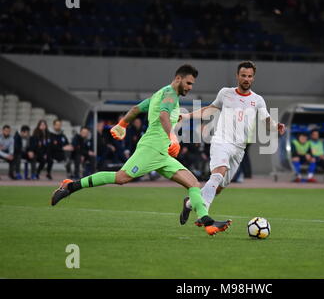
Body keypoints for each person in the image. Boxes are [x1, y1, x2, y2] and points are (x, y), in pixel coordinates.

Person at [50, 64, 231, 236]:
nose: (190, 87)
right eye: (189, 83)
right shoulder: (170, 94)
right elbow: (163, 116)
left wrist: (122, 124)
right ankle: (70, 185)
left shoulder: (159, 94)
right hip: (151, 148)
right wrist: (172, 137)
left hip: (162, 153)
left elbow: (137, 108)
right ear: (178, 78)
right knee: (121, 178)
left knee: (193, 184)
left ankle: (206, 222)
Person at [179, 61, 286, 225]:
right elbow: (210, 109)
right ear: (237, 76)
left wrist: (274, 125)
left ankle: (188, 203)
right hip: (221, 141)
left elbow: (265, 118)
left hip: (239, 149)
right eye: (243, 75)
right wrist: (186, 116)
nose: (246, 79)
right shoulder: (225, 93)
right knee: (217, 173)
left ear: (253, 78)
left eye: (250, 76)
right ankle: (203, 214)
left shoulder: (257, 100)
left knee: (219, 188)